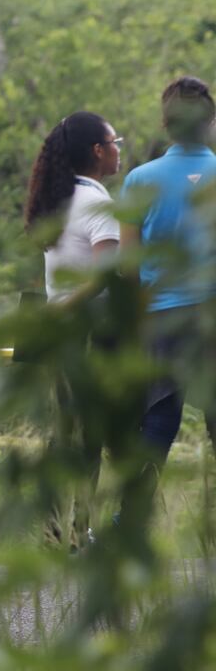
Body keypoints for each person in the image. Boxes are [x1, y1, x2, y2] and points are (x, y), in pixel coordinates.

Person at [23, 111, 122, 547]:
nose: (118, 150)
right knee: (88, 435)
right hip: (86, 332)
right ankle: (81, 531)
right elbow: (103, 277)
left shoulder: (60, 199)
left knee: (61, 433)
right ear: (98, 151)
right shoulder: (98, 204)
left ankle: (52, 528)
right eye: (115, 142)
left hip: (54, 329)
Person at [119, 76, 216, 510]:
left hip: (161, 319)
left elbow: (128, 267)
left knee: (157, 423)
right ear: (210, 121)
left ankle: (130, 522)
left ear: (166, 124)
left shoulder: (140, 180)